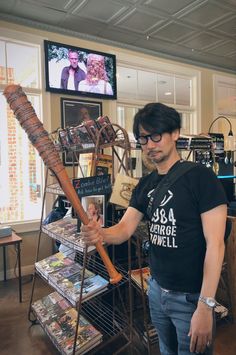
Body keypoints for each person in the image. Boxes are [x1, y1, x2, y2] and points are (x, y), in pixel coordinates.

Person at [81, 102, 228, 355]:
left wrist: (205, 306)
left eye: (156, 136)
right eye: (143, 139)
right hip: (157, 291)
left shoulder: (201, 178)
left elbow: (216, 244)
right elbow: (124, 229)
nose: (149, 145)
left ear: (175, 134)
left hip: (192, 298)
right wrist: (101, 234)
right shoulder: (145, 184)